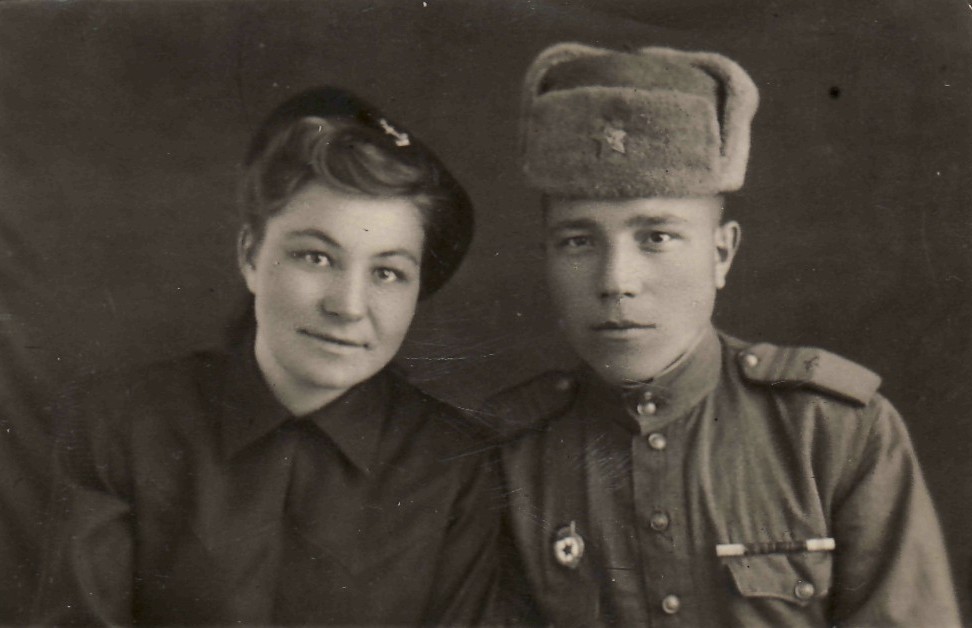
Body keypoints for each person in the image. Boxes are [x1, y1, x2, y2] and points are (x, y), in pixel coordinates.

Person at [487, 43, 961, 626]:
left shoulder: (833, 433)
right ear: (545, 257)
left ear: (721, 253)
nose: (616, 282)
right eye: (578, 242)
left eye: (657, 237)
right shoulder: (504, 458)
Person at [34, 87, 497, 624]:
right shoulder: (120, 425)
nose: (348, 306)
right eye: (316, 257)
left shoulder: (457, 468)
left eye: (387, 273)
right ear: (251, 255)